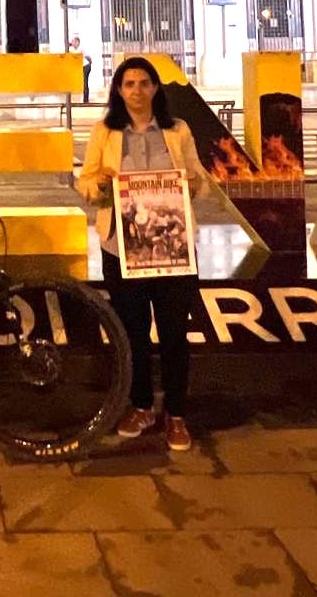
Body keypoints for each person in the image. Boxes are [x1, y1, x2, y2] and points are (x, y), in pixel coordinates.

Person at [76, 56, 207, 453]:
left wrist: (191, 182)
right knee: (132, 331)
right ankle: (141, 405)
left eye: (144, 83)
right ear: (118, 90)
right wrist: (100, 183)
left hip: (172, 249)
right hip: (123, 247)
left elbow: (200, 180)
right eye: (129, 83)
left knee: (173, 333)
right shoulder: (105, 131)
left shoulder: (178, 130)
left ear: (155, 89)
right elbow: (85, 183)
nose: (136, 90)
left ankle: (177, 413)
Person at [70, 35, 92, 102]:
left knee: (85, 82)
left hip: (86, 66)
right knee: (83, 82)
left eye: (74, 42)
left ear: (77, 42)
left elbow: (88, 57)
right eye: (72, 42)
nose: (72, 44)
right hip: (81, 67)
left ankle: (86, 100)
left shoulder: (81, 48)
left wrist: (90, 62)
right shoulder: (72, 50)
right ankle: (84, 99)